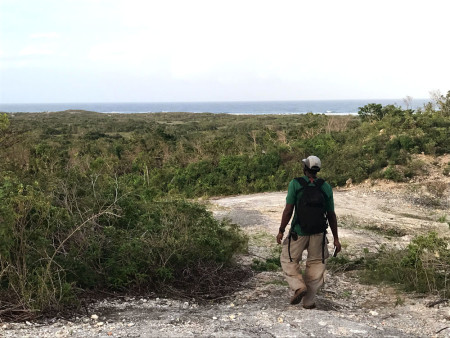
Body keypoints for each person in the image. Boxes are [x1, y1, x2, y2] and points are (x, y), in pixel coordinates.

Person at [276, 155, 341, 309]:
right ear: (317, 170)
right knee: (316, 265)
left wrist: (281, 230)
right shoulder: (325, 187)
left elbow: (288, 210)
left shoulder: (295, 184)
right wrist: (336, 239)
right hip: (319, 233)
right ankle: (309, 301)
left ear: (305, 168)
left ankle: (298, 286)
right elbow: (331, 215)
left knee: (288, 259)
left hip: (299, 231)